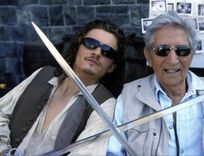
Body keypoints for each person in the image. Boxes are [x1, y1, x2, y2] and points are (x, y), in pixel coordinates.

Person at [107, 11, 204, 156]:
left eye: (182, 50)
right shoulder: (127, 99)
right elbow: (113, 152)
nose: (173, 60)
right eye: (162, 50)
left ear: (192, 54)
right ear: (148, 55)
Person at [0, 19, 126, 156]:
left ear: (112, 67)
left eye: (107, 52)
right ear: (78, 46)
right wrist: (4, 150)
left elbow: (86, 153)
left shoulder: (104, 104)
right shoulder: (43, 74)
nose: (97, 52)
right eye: (91, 44)